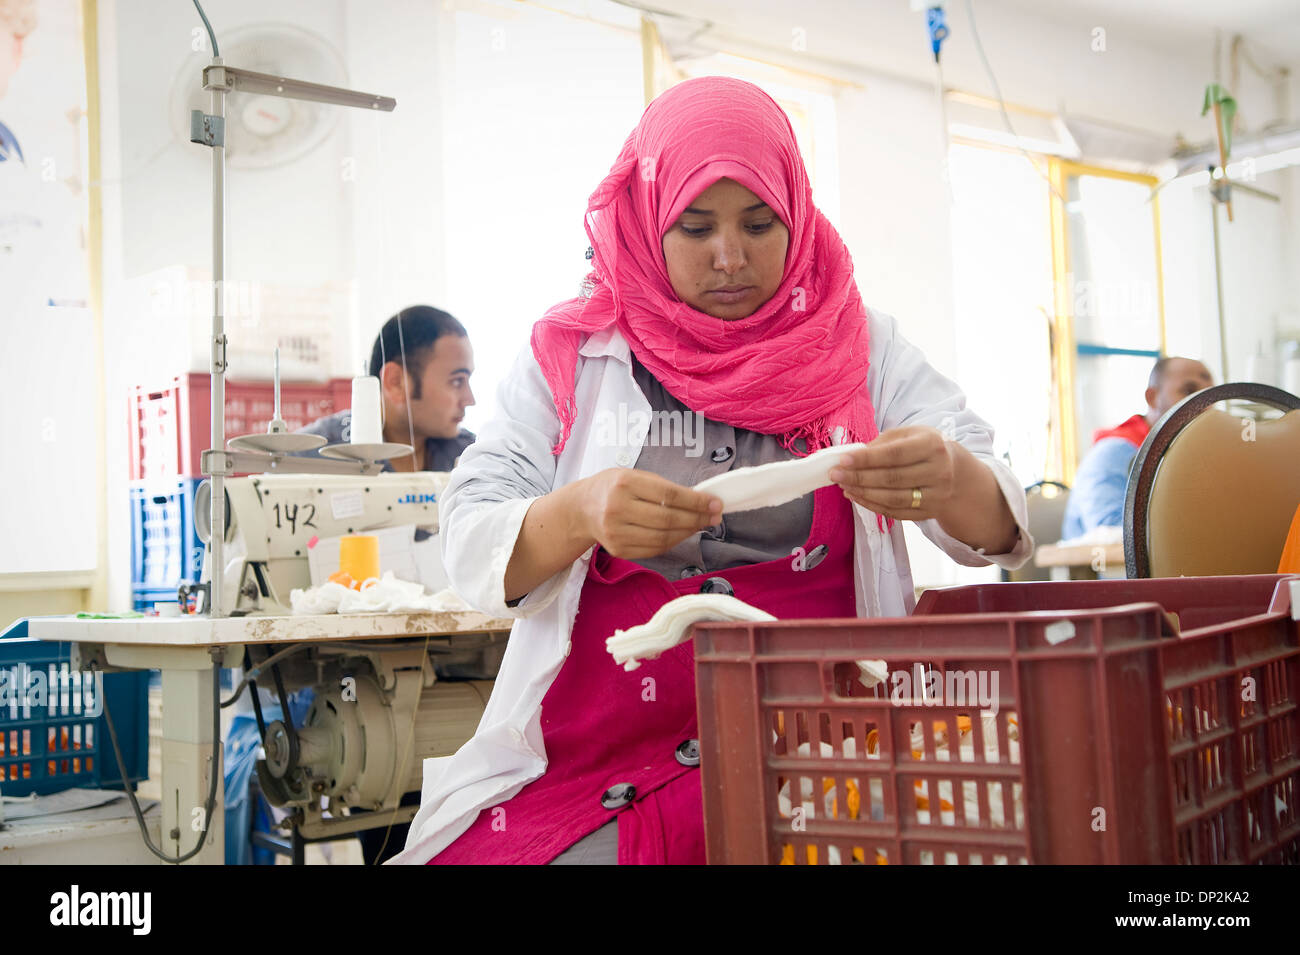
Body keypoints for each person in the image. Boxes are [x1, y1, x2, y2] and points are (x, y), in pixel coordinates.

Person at [390, 76, 1032, 867]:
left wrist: (949, 476)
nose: (731, 257)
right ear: (649, 222)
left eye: (760, 224)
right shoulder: (578, 354)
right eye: (696, 228)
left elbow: (1001, 524)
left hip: (824, 753)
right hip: (601, 759)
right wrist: (581, 511)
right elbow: (471, 537)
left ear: (796, 215)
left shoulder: (859, 344)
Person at [299, 305, 477, 472]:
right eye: (456, 381)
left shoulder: (471, 455)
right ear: (396, 382)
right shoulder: (305, 458)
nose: (470, 400)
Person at [1061, 357, 1213, 539]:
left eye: (1211, 396)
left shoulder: (1189, 457)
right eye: (1189, 391)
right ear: (1153, 397)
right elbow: (1110, 534)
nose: (1205, 406)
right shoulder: (1114, 453)